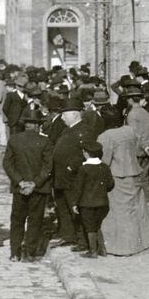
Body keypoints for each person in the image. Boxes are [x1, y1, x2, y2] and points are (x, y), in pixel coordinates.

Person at [99, 99, 149, 255]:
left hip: (117, 176)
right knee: (138, 210)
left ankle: (123, 247)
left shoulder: (106, 136)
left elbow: (104, 160)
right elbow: (140, 144)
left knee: (119, 213)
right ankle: (146, 243)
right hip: (134, 173)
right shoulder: (129, 130)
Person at [3, 109, 53, 261]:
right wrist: (35, 183)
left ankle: (15, 252)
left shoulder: (14, 140)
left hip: (20, 189)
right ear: (38, 126)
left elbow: (8, 163)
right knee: (35, 220)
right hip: (38, 188)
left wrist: (20, 182)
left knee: (17, 220)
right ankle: (29, 252)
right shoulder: (45, 142)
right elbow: (48, 167)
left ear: (25, 124)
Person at [50, 97, 95, 250]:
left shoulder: (85, 130)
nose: (62, 117)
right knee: (63, 207)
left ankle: (82, 241)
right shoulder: (67, 129)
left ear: (75, 114)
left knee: (76, 208)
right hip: (61, 176)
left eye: (65, 114)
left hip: (73, 177)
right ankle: (69, 236)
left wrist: (72, 167)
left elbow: (88, 152)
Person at [72, 151, 115, 257]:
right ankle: (102, 249)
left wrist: (74, 203)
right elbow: (110, 184)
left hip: (87, 203)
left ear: (86, 154)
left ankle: (93, 251)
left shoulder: (83, 169)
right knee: (97, 225)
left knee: (90, 227)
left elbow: (78, 188)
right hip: (103, 203)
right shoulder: (104, 167)